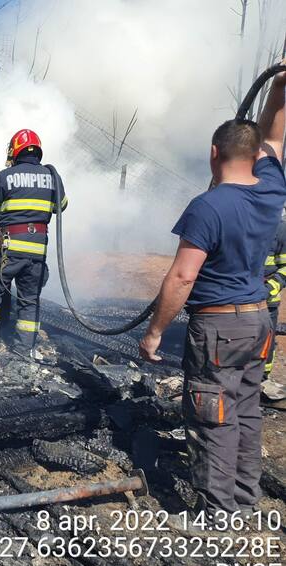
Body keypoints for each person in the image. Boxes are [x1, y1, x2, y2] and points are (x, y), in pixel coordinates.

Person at [139, 67, 286, 527]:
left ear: (213, 152)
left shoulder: (207, 206)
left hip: (218, 326)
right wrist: (280, 88)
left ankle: (217, 515)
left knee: (213, 414)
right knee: (245, 409)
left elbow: (183, 278)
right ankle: (244, 498)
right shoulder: (272, 190)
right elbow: (276, 140)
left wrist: (155, 332)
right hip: (259, 321)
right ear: (256, 155)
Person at [0, 129, 67, 356]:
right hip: (38, 252)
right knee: (29, 299)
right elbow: (62, 205)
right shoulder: (52, 177)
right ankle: (24, 350)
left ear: (14, 150)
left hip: (9, 248)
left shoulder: (5, 176)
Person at [261, 211, 286, 385]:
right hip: (235, 302)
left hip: (267, 302)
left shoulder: (281, 229)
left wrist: (271, 287)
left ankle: (262, 378)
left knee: (265, 343)